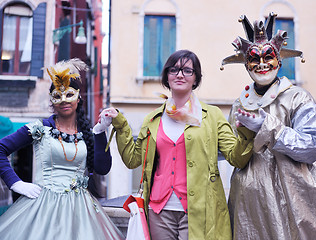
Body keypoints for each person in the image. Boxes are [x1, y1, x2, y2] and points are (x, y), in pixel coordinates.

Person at [98, 49, 254, 239]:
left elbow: (236, 157)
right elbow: (132, 160)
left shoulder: (212, 116)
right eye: (174, 70)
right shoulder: (152, 119)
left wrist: (247, 132)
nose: (180, 74)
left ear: (195, 79)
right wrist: (121, 126)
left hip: (200, 210)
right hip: (159, 211)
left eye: (187, 70)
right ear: (167, 77)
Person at [220, 13, 316, 239]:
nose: (261, 64)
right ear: (245, 64)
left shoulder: (299, 98)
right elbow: (228, 152)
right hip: (247, 211)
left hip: (287, 210)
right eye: (253, 58)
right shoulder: (239, 105)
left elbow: (312, 146)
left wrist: (267, 127)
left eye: (267, 57)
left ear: (279, 60)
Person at [0, 59, 124, 240]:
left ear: (79, 97)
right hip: (42, 208)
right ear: (52, 101)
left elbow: (103, 168)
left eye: (69, 94)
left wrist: (99, 132)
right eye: (58, 96)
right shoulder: (39, 129)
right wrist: (16, 183)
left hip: (80, 213)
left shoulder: (88, 134)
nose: (64, 101)